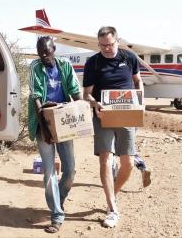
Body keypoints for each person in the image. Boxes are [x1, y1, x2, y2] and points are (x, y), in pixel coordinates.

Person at [83, 26, 144, 228]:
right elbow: (87, 94)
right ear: (98, 44)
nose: (107, 49)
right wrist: (95, 104)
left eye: (110, 44)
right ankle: (112, 208)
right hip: (103, 116)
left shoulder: (130, 58)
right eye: (102, 45)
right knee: (106, 160)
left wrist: (140, 100)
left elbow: (138, 80)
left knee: (128, 163)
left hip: (127, 114)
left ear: (117, 40)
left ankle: (113, 193)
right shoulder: (93, 62)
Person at [28, 36, 82, 234]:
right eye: (40, 52)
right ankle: (57, 215)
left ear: (54, 49)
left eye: (47, 52)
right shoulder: (35, 67)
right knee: (49, 172)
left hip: (64, 120)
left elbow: (76, 91)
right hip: (44, 119)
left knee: (70, 171)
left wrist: (81, 113)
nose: (43, 56)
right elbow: (36, 98)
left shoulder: (65, 65)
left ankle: (59, 199)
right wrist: (45, 128)